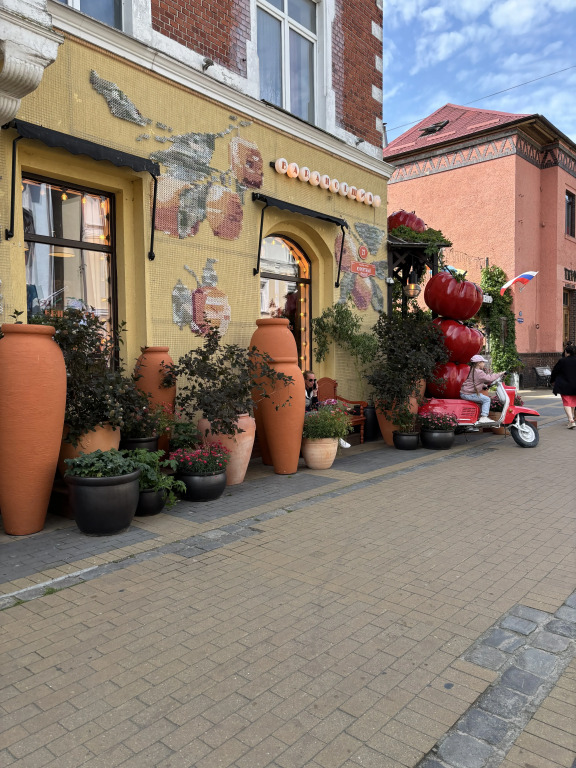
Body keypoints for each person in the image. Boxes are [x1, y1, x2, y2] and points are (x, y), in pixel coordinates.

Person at [460, 354, 506, 424]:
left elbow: (476, 381)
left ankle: (479, 417)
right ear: (479, 363)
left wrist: (484, 386)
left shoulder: (472, 370)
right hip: (468, 394)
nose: (484, 364)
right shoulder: (479, 372)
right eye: (483, 362)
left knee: (482, 398)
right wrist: (500, 374)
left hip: (465, 393)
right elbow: (489, 378)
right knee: (486, 399)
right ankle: (484, 417)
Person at [550, 344, 576, 428]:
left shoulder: (562, 361)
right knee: (572, 402)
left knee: (566, 402)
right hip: (575, 385)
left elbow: (555, 371)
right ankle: (571, 419)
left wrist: (552, 380)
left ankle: (571, 420)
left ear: (566, 352)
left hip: (564, 385)